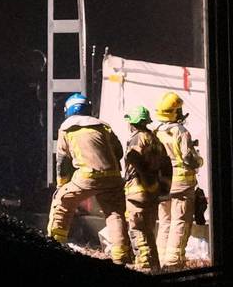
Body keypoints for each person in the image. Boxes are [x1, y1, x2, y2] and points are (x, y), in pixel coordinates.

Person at [47, 93, 130, 264]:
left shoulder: (66, 128)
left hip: (86, 176)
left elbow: (62, 162)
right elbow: (119, 151)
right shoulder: (103, 126)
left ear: (68, 110)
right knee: (115, 214)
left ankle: (54, 244)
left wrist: (62, 184)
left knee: (62, 202)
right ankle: (121, 257)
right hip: (113, 177)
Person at [154, 91, 204, 269]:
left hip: (162, 183)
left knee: (165, 221)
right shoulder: (180, 132)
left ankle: (159, 258)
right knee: (180, 221)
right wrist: (200, 160)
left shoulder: (154, 131)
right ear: (175, 112)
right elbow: (189, 158)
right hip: (181, 184)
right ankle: (174, 262)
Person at [122, 105, 170, 271]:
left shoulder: (137, 139)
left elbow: (133, 158)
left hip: (137, 191)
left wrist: (145, 179)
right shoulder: (155, 140)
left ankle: (144, 268)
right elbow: (167, 165)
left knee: (137, 229)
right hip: (153, 193)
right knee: (149, 231)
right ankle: (155, 267)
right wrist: (162, 187)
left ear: (133, 123)